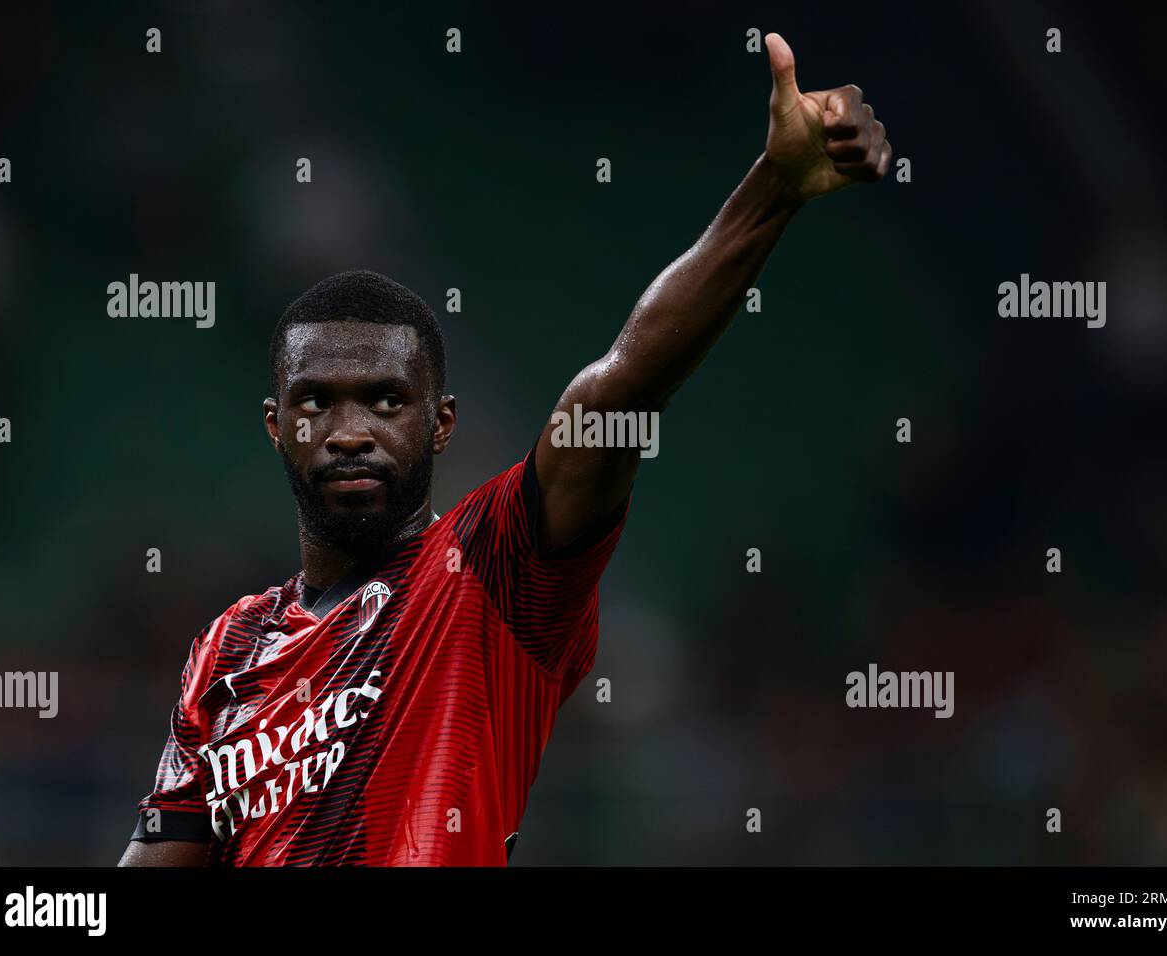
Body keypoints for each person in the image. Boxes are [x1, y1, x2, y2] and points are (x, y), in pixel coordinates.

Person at [118, 32, 891, 866]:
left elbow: (619, 388)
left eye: (386, 399)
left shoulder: (495, 568)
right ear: (277, 426)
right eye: (317, 401)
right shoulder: (230, 649)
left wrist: (772, 190)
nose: (350, 430)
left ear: (442, 422)